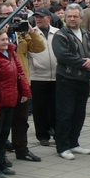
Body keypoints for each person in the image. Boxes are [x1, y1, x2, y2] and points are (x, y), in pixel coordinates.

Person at [52, 4, 90, 160]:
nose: (72, 19)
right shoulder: (61, 35)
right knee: (65, 114)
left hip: (83, 80)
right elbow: (62, 55)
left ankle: (74, 143)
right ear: (65, 17)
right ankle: (63, 146)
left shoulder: (86, 34)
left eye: (75, 16)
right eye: (69, 16)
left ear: (81, 18)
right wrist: (84, 63)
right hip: (66, 79)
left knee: (79, 113)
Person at [0, 31, 30, 178]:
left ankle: (1, 163)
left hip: (10, 100)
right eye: (2, 40)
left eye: (6, 39)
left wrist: (25, 91)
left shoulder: (11, 52)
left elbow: (20, 72)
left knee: (4, 134)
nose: (6, 42)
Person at [28, 8, 58, 147]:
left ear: (49, 18)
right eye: (36, 17)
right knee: (39, 109)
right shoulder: (30, 33)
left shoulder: (57, 32)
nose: (38, 19)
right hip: (38, 76)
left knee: (56, 107)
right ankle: (42, 135)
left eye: (41, 17)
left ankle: (57, 133)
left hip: (56, 76)